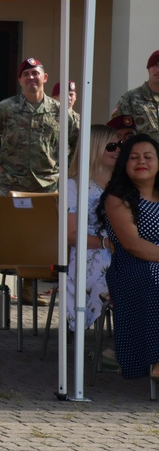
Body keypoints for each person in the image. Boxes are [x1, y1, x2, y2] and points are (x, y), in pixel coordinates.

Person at [0, 57, 79, 305]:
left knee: (40, 237)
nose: (31, 78)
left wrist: (68, 172)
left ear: (45, 77)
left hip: (47, 187)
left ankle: (30, 286)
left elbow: (80, 144)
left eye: (35, 73)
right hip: (10, 183)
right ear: (20, 80)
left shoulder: (62, 113)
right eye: (26, 74)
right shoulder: (6, 109)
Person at [100, 133, 159, 379]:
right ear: (124, 164)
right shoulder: (117, 199)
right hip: (132, 267)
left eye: (148, 157)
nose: (141, 161)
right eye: (133, 157)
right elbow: (133, 244)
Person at [64, 125, 118, 337]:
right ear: (95, 148)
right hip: (89, 253)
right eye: (111, 146)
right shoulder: (75, 185)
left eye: (120, 145)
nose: (118, 150)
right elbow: (70, 235)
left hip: (125, 248)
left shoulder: (125, 183)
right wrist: (107, 244)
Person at [114, 50, 159, 142]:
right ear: (148, 69)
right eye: (155, 65)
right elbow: (118, 133)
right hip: (140, 154)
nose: (158, 70)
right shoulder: (130, 98)